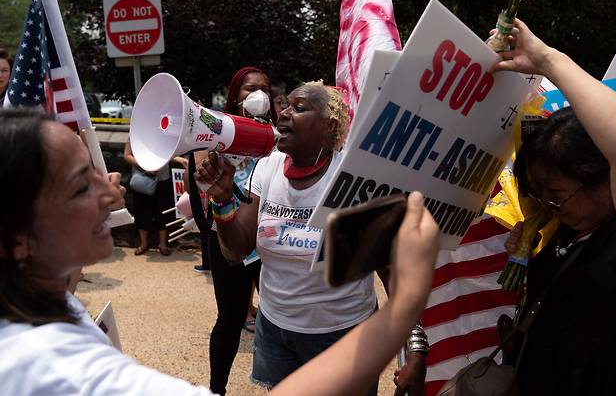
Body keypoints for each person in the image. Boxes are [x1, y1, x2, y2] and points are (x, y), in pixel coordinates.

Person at [0, 107, 441, 396]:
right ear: (17, 241)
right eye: (83, 183)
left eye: (100, 172)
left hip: (340, 329)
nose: (113, 187)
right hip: (279, 329)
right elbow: (238, 251)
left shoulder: (49, 307)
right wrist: (404, 306)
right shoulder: (53, 365)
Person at [197, 80, 428, 393]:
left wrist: (415, 349)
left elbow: (392, 270)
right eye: (287, 105)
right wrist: (223, 202)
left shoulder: (354, 178)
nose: (284, 114)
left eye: (300, 108)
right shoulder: (267, 167)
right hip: (275, 332)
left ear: (327, 126)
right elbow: (236, 250)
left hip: (343, 338)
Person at [495, 19, 616, 395]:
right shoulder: (563, 234)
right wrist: (524, 257)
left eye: (555, 190)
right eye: (539, 193)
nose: (549, 204)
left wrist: (549, 60)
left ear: (601, 175)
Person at [186, 66, 277, 395]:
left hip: (267, 237)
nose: (258, 94)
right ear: (235, 95)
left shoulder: (281, 135)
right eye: (249, 88)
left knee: (276, 315)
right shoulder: (217, 134)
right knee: (230, 318)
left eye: (265, 88)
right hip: (226, 233)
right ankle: (216, 389)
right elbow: (202, 182)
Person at [123, 141, 185, 256]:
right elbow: (127, 155)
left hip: (163, 179)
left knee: (163, 211)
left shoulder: (165, 134)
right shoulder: (134, 134)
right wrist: (144, 165)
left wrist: (179, 159)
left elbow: (170, 152)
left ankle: (162, 244)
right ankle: (143, 243)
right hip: (142, 179)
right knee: (142, 211)